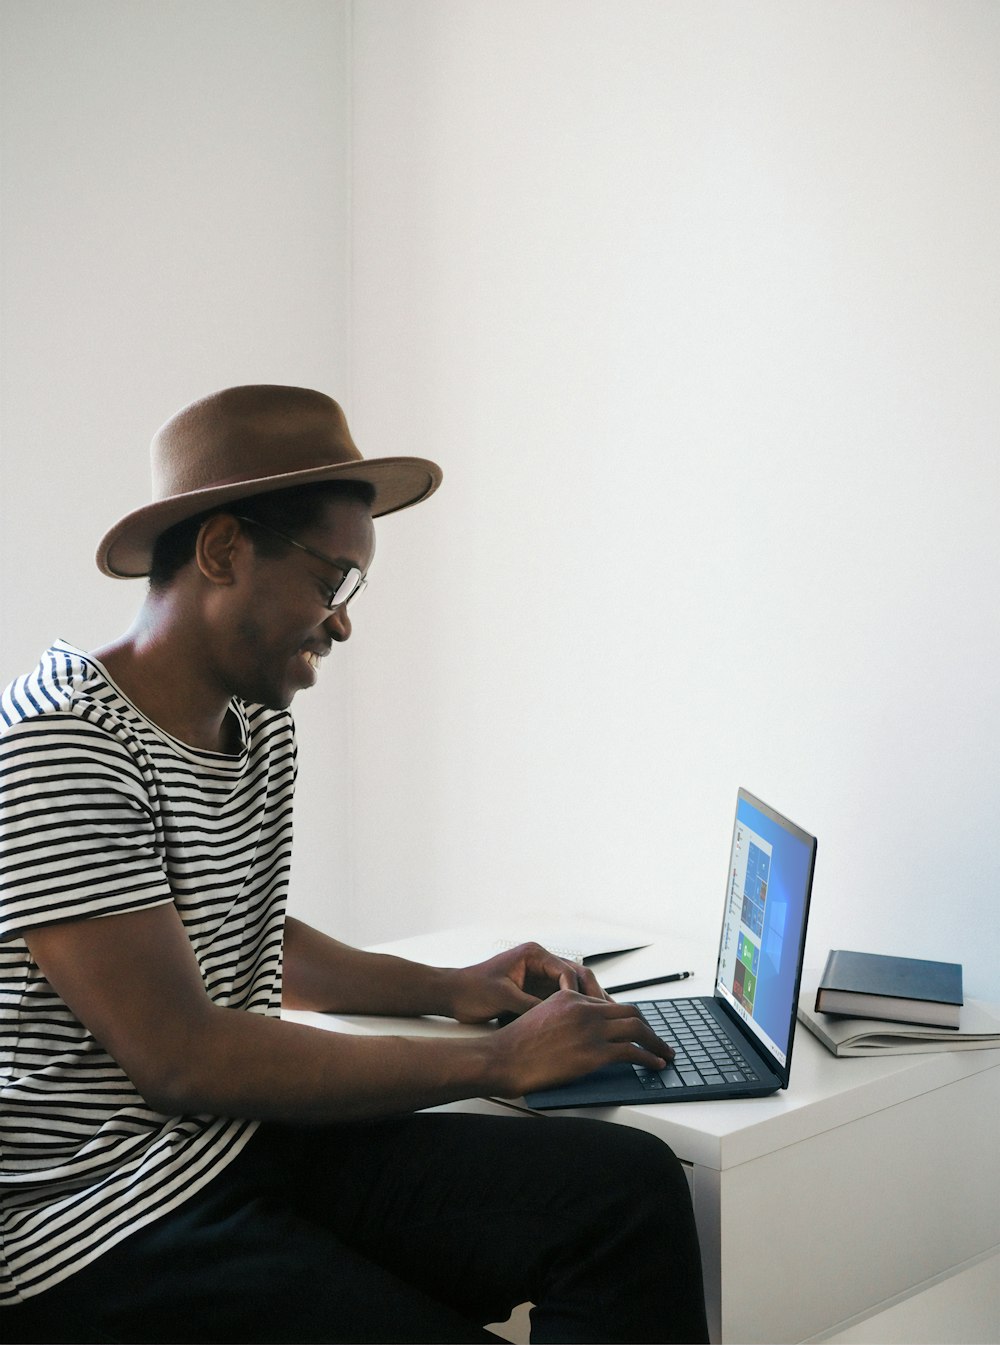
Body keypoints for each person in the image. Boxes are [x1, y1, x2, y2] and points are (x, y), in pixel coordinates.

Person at [0, 384, 708, 1344]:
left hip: (237, 1146)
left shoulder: (252, 721)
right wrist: (499, 1058)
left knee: (624, 1193)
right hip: (96, 1216)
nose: (340, 623)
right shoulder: (60, 743)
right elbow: (179, 1055)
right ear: (222, 550)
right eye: (332, 581)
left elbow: (235, 925)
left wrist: (455, 987)